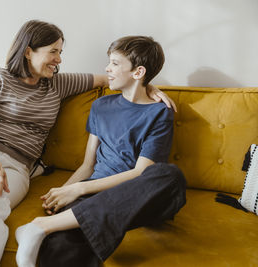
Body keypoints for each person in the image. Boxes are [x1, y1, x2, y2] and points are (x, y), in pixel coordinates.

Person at [0, 20, 176, 267]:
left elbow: (110, 79)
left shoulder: (57, 84)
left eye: (60, 52)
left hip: (16, 167)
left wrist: (149, 86)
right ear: (28, 51)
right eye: (53, 51)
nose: (58, 59)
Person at [15, 36, 187, 267]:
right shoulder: (101, 106)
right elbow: (88, 165)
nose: (107, 68)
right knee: (61, 246)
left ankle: (40, 226)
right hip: (96, 196)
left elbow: (141, 173)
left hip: (140, 196)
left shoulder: (159, 112)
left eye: (115, 63)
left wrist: (79, 188)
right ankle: (51, 226)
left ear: (138, 72)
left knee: (170, 176)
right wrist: (64, 193)